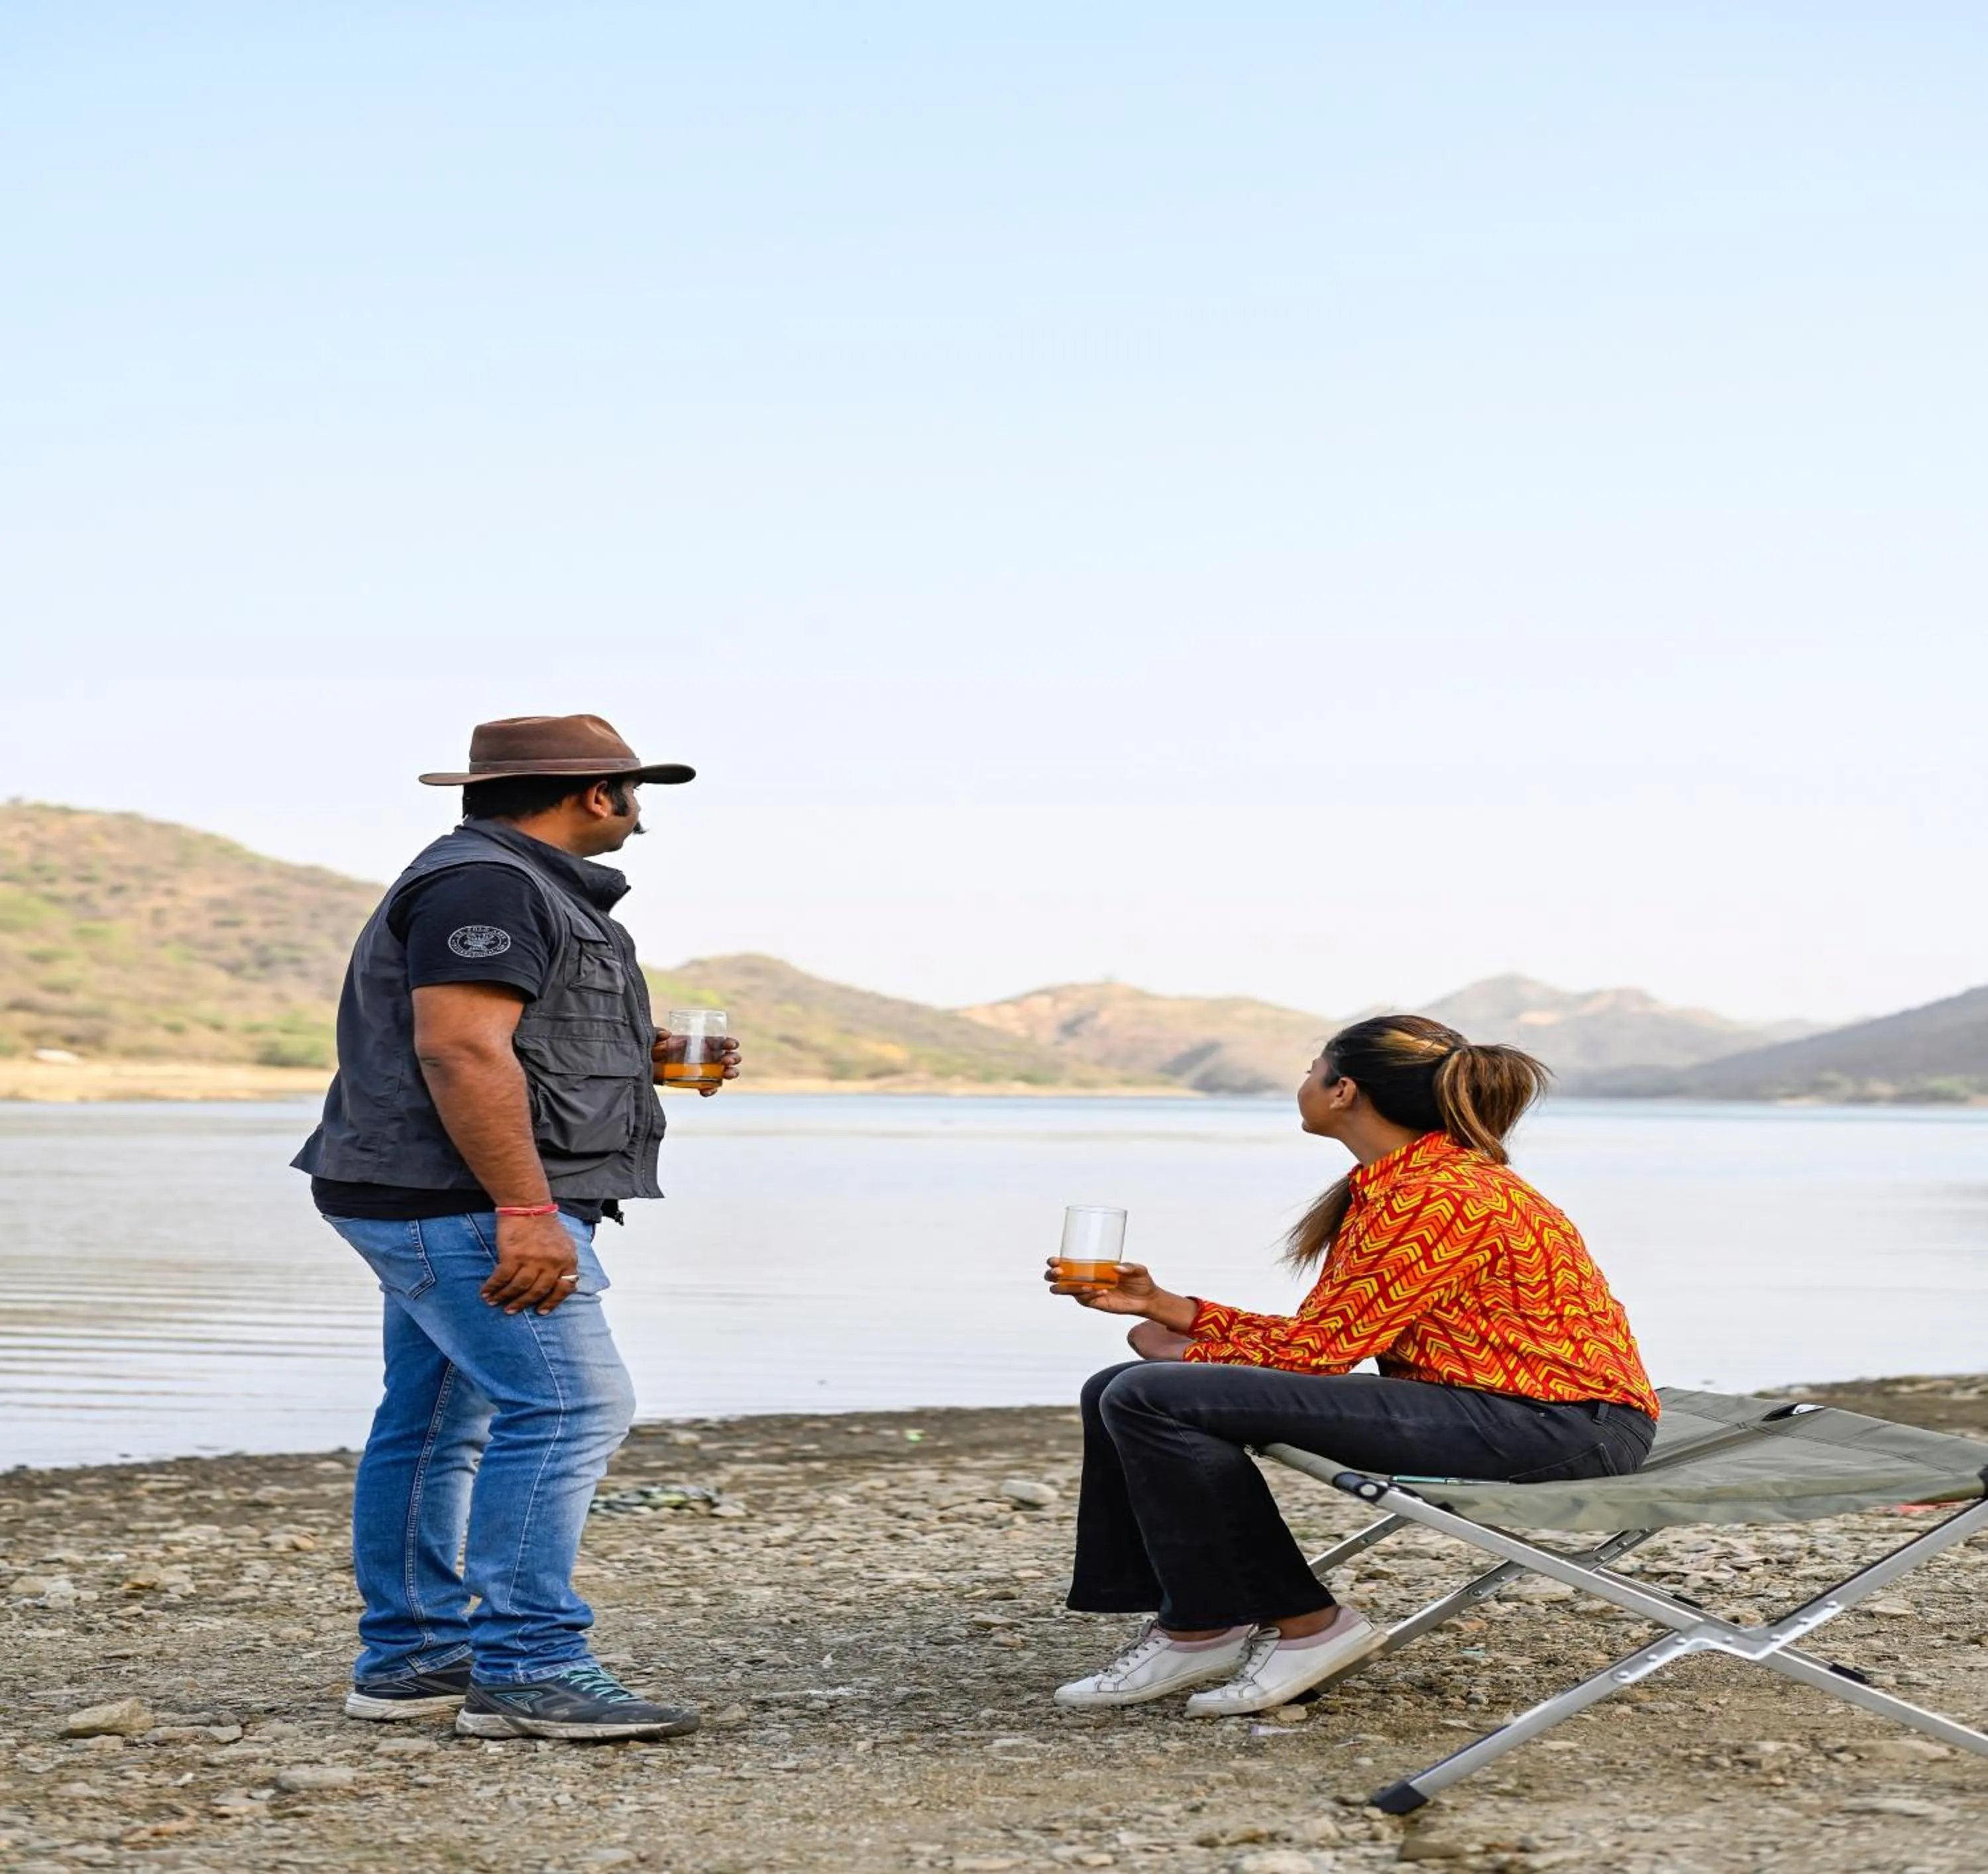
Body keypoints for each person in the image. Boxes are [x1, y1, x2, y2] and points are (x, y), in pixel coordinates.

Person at [293, 714, 740, 1742]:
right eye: (633, 788)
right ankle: (529, 1664)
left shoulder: (507, 882)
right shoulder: (488, 885)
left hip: (425, 1191)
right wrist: (527, 1212)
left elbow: (507, 1037)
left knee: (440, 1420)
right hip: (462, 1200)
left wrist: (642, 1049)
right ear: (595, 794)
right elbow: (458, 1050)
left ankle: (412, 1659)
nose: (638, 808)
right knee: (572, 1405)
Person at [1044, 1013, 1657, 1718]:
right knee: (1120, 1388)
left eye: (1313, 1068)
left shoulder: (1438, 1195)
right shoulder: (1403, 1181)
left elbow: (1322, 1354)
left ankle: (1304, 1625)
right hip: (1507, 1408)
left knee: (1149, 1393)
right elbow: (1331, 1337)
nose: (1303, 1081)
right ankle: (1199, 1620)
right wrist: (1164, 1307)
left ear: (1344, 1091)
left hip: (1555, 1425)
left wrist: (1189, 1343)